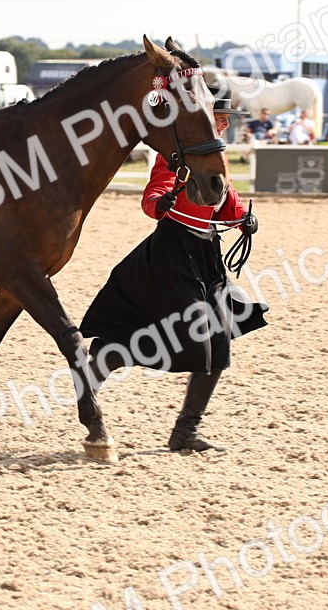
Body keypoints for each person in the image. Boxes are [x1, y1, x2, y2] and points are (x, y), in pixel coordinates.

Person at [80, 95, 269, 452]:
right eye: (219, 117)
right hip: (171, 253)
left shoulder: (218, 157)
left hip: (205, 254)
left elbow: (227, 199)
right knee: (192, 333)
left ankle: (184, 433)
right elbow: (153, 193)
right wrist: (160, 203)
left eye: (226, 119)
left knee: (219, 341)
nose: (225, 124)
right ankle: (111, 355)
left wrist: (244, 219)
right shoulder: (176, 155)